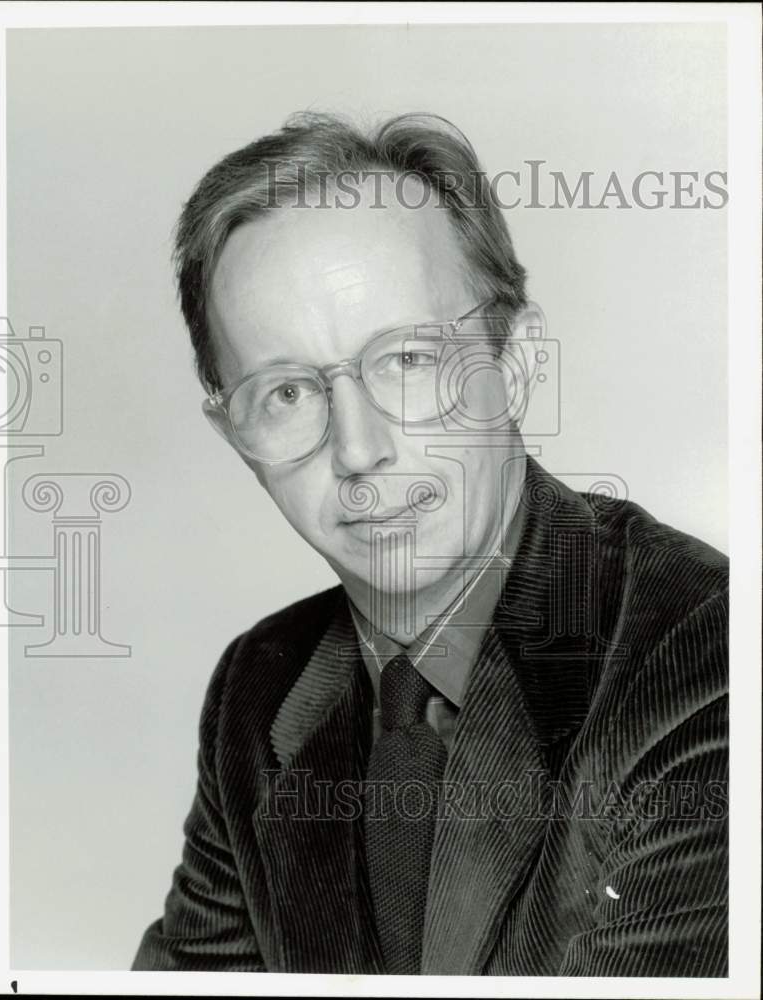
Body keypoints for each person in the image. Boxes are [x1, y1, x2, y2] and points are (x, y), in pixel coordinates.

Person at [132, 112, 728, 976]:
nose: (359, 449)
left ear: (514, 361)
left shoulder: (709, 658)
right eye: (289, 391)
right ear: (234, 435)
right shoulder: (257, 694)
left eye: (408, 361)